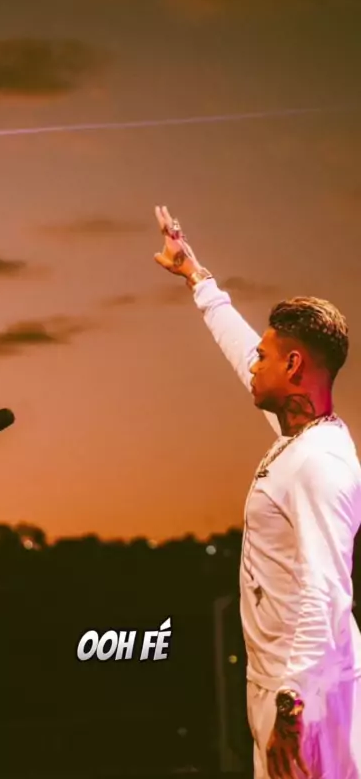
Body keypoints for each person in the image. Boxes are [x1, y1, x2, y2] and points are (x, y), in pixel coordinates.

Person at [153, 205, 361, 778]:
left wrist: (292, 710)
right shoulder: (299, 434)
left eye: (265, 358)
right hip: (280, 688)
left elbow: (327, 590)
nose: (253, 365)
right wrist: (197, 278)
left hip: (307, 700)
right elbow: (242, 350)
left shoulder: (320, 464)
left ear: (293, 365)